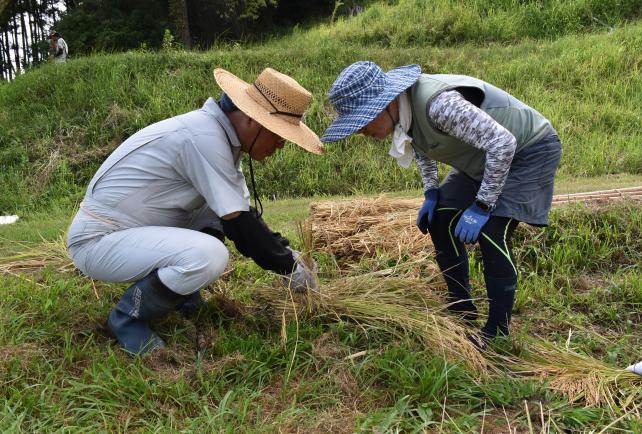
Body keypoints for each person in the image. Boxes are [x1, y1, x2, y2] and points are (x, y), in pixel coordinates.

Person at [67, 67, 324, 356]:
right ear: (253, 121)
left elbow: (242, 215)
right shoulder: (203, 137)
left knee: (216, 215)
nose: (280, 144)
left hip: (132, 231)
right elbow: (238, 223)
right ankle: (127, 319)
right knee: (209, 255)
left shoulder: (221, 139)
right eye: (279, 135)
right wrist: (289, 269)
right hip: (100, 240)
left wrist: (286, 254)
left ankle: (183, 296)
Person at [321, 61, 562, 346]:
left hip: (528, 150)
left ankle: (497, 332)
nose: (360, 131)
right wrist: (431, 192)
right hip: (483, 158)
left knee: (492, 232)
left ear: (383, 104)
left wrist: (482, 206)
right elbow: (421, 145)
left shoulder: (439, 106)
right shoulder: (404, 111)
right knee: (439, 218)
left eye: (361, 121)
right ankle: (461, 308)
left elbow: (503, 143)